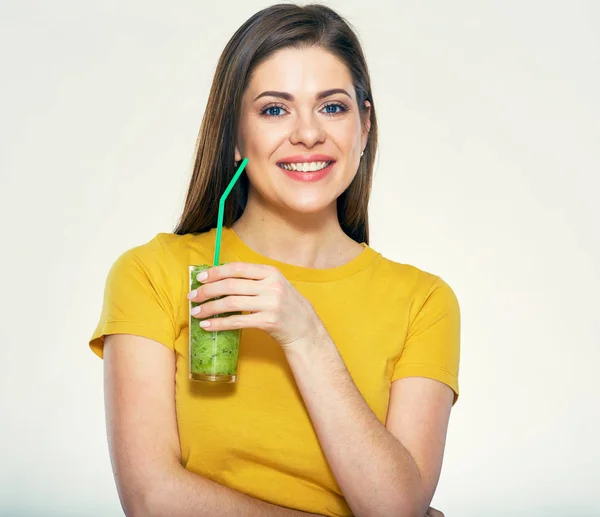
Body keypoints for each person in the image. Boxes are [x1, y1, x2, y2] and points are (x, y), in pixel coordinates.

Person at [89, 4, 460, 517]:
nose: (308, 133)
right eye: (274, 109)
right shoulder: (156, 274)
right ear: (236, 135)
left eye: (332, 107)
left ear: (365, 125)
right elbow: (153, 500)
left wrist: (304, 334)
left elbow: (395, 505)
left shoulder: (424, 302)